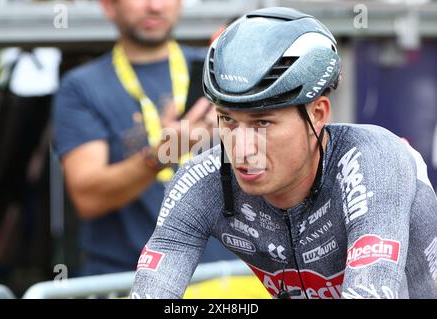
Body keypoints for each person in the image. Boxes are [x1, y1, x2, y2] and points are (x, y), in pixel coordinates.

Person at [129, 7, 437, 299]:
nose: (242, 149)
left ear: (318, 114)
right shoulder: (203, 182)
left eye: (263, 122)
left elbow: (372, 290)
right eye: (228, 120)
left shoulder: (375, 160)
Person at [52, 0, 236, 276]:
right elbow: (88, 198)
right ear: (108, 6)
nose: (155, 6)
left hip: (227, 277)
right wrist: (163, 154)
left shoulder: (222, 67)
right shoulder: (81, 87)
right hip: (127, 280)